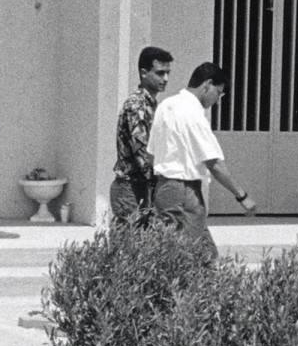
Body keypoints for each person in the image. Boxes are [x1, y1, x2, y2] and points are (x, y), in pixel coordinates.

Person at [146, 61, 259, 258]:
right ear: (207, 84)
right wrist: (242, 196)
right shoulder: (193, 114)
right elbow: (214, 164)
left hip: (163, 189)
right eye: (219, 93)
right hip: (184, 192)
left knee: (192, 254)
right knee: (193, 259)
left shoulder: (166, 105)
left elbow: (151, 155)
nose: (218, 99)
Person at [109, 46, 171, 223]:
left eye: (168, 73)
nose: (165, 79)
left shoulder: (151, 105)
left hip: (142, 187)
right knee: (130, 246)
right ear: (144, 73)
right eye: (160, 73)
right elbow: (143, 156)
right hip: (130, 188)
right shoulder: (137, 106)